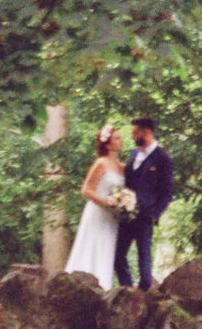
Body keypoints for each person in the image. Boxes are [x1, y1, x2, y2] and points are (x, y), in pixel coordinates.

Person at [64, 124, 127, 287]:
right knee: (93, 246)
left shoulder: (121, 167)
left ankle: (104, 286)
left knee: (107, 249)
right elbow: (86, 189)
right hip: (98, 212)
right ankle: (81, 283)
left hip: (113, 217)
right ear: (108, 144)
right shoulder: (101, 163)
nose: (121, 141)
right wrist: (106, 203)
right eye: (117, 138)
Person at [115, 114, 173, 291]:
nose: (133, 137)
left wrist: (154, 215)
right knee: (117, 256)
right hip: (126, 215)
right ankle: (127, 291)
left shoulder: (163, 159)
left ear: (146, 132)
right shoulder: (133, 154)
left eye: (135, 133)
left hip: (146, 216)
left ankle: (144, 294)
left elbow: (167, 192)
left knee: (144, 260)